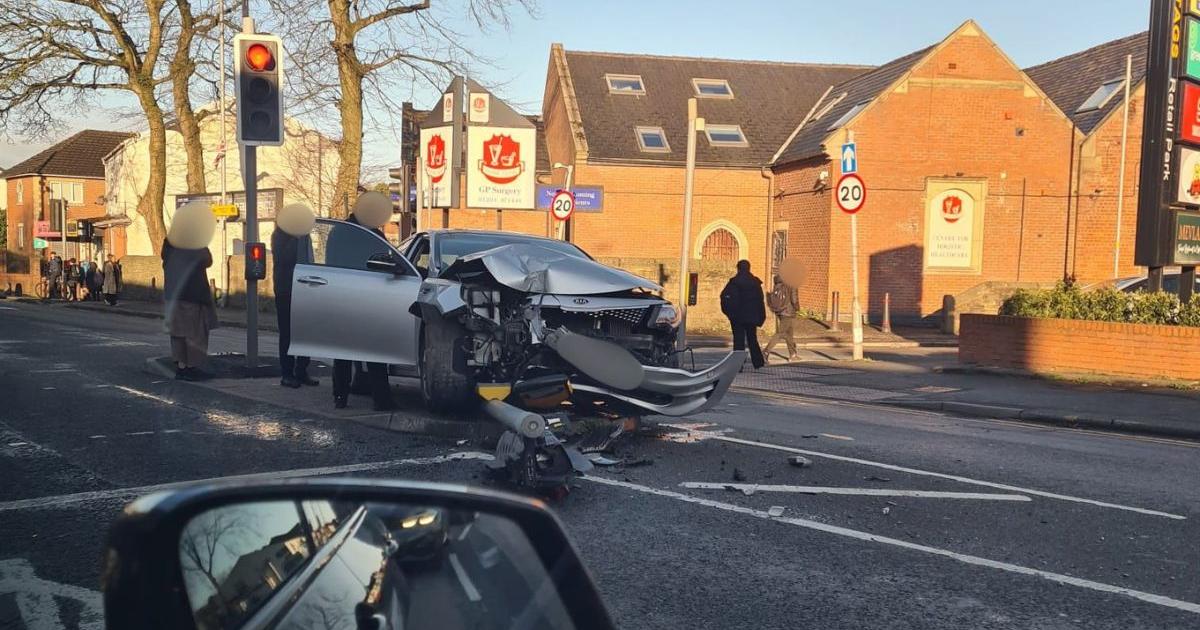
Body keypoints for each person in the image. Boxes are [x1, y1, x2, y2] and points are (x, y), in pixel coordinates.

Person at [331, 193, 395, 411]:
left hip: (343, 296)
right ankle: (381, 400)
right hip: (369, 297)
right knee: (374, 351)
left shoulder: (338, 231)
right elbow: (390, 263)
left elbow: (332, 262)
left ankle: (340, 397)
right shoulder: (374, 235)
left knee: (343, 352)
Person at [162, 205, 218, 381]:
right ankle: (191, 367)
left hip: (173, 294)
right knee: (194, 333)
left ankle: (181, 366)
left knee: (178, 332)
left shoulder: (169, 242)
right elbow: (206, 259)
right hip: (192, 294)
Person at [273, 204, 318, 389]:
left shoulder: (304, 236)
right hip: (287, 289)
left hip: (305, 287)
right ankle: (287, 373)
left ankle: (301, 369)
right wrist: (295, 238)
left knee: (305, 331)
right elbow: (284, 258)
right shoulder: (281, 235)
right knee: (288, 334)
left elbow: (309, 258)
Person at [720, 259, 766, 370]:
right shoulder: (755, 283)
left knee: (738, 340)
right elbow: (760, 300)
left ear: (738, 268)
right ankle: (758, 362)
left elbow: (724, 297)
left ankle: (738, 365)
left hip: (737, 317)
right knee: (752, 339)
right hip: (751, 316)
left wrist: (729, 313)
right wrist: (761, 316)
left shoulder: (734, 282)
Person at [762, 274, 800, 363]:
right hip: (788, 311)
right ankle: (766, 352)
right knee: (781, 333)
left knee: (789, 333)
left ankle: (793, 354)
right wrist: (797, 308)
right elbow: (794, 299)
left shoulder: (778, 283)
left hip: (780, 311)